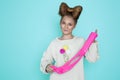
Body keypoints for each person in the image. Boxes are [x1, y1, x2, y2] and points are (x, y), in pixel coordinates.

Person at [40, 2, 99, 80]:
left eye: (70, 24)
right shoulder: (54, 43)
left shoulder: (80, 41)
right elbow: (45, 60)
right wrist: (47, 67)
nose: (66, 27)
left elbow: (92, 59)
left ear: (74, 26)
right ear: (60, 23)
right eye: (63, 23)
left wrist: (93, 43)